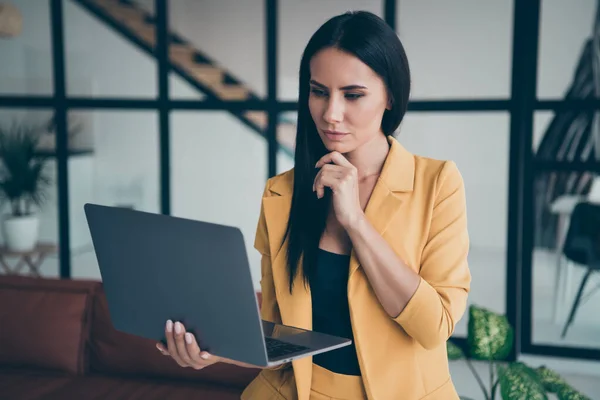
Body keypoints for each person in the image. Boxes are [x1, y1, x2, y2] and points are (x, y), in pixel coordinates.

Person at [155, 10, 471, 400]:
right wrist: (212, 352)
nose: (329, 113)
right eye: (318, 91)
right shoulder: (281, 193)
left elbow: (434, 326)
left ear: (390, 95)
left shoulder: (437, 184)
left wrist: (355, 221)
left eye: (352, 95)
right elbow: (278, 336)